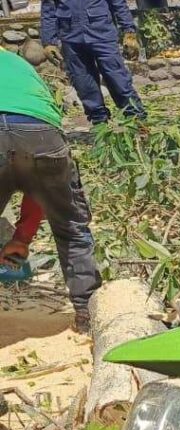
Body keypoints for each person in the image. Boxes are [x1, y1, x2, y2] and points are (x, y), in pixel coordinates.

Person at [0, 48, 101, 332]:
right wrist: (22, 238)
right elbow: (38, 187)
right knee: (71, 229)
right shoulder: (18, 63)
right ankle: (87, 315)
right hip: (41, 133)